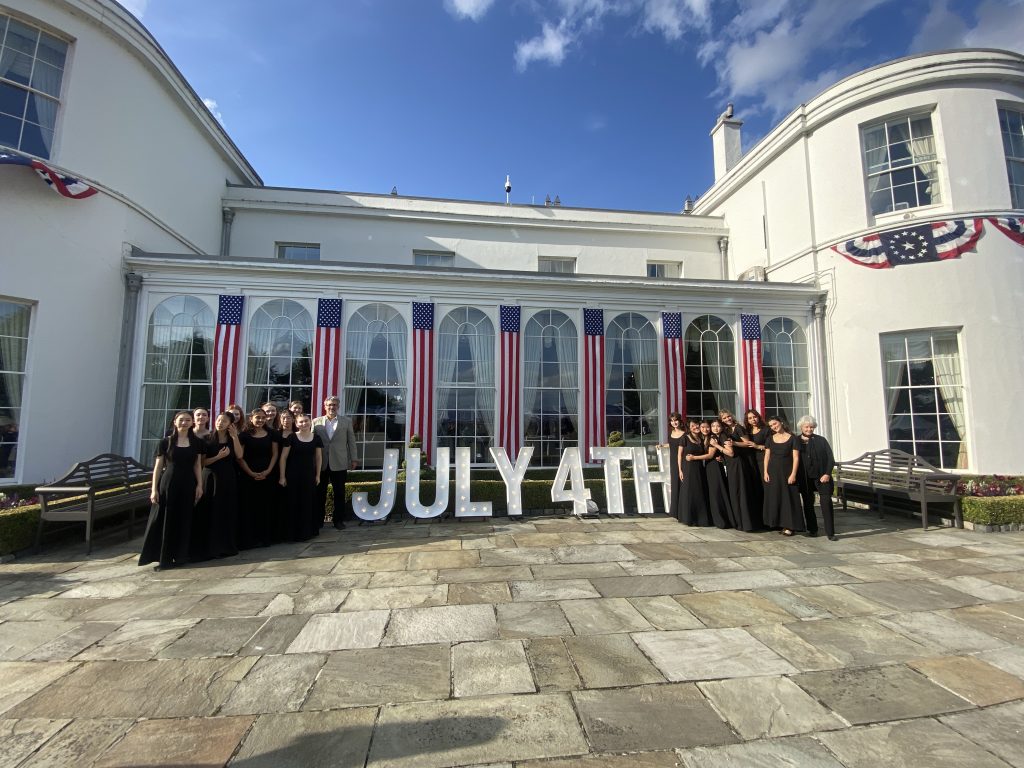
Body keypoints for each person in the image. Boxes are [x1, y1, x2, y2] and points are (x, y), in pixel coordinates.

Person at [139, 411, 203, 570]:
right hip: (169, 483)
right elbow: (158, 467)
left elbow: (197, 465)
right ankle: (165, 558)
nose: (184, 423)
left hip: (188, 483)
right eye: (181, 420)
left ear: (192, 423)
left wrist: (199, 485)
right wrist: (154, 489)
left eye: (188, 420)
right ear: (175, 422)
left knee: (185, 518)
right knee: (167, 519)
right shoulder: (165, 442)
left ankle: (181, 556)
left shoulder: (196, 442)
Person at [200, 411, 243, 558]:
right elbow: (202, 462)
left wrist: (235, 436)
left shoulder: (232, 439)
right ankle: (210, 547)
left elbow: (239, 455)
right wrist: (218, 457)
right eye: (219, 420)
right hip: (211, 476)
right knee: (211, 510)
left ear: (230, 424)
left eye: (224, 421)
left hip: (227, 477)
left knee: (227, 510)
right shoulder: (207, 439)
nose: (220, 423)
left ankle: (226, 545)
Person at [312, 395, 358, 529]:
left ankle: (338, 520)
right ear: (325, 407)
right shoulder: (316, 422)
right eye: (329, 405)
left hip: (340, 462)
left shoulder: (346, 421)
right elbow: (311, 441)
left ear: (338, 407)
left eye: (334, 405)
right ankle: (318, 520)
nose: (332, 407)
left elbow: (351, 441)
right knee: (320, 493)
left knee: (339, 493)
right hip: (321, 463)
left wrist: (354, 458)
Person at [237, 408, 279, 547]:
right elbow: (240, 457)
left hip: (268, 476)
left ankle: (266, 538)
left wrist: (268, 471)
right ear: (251, 418)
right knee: (250, 507)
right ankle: (250, 539)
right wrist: (250, 473)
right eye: (257, 417)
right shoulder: (244, 435)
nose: (260, 420)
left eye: (263, 417)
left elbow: (275, 454)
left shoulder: (272, 433)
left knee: (266, 507)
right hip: (248, 477)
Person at [279, 413, 323, 541]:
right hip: (292, 475)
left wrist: (318, 475)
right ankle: (292, 534)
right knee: (293, 503)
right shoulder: (291, 437)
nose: (304, 424)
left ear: (310, 422)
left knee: (307, 503)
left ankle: (306, 532)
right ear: (296, 424)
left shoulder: (316, 438)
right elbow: (283, 458)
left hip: (309, 475)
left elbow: (319, 457)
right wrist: (282, 476)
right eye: (301, 422)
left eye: (306, 421)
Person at [796, 415, 837, 540]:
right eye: (806, 427)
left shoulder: (821, 440)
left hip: (822, 476)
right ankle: (812, 530)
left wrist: (827, 474)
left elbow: (830, 458)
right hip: (805, 478)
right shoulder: (796, 440)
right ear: (801, 427)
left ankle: (830, 533)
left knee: (826, 503)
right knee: (808, 504)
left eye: (811, 427)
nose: (809, 429)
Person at [762, 415, 805, 536]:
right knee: (776, 497)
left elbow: (796, 458)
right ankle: (780, 523)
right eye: (771, 426)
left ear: (781, 422)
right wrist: (765, 472)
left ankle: (790, 526)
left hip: (787, 472)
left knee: (789, 499)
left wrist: (793, 474)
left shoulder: (793, 439)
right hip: (773, 472)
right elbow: (767, 456)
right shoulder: (770, 439)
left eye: (775, 424)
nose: (773, 427)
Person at [718, 411, 760, 531]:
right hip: (734, 462)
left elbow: (748, 443)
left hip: (744, 462)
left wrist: (734, 443)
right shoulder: (727, 431)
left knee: (744, 491)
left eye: (728, 416)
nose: (727, 419)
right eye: (724, 418)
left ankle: (748, 522)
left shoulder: (738, 428)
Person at [699, 419, 735, 529]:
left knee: (717, 493)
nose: (706, 429)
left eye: (707, 427)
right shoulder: (704, 438)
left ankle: (722, 521)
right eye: (703, 427)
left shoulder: (713, 438)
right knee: (713, 493)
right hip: (709, 467)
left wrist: (693, 458)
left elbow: (711, 455)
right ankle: (716, 519)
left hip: (714, 467)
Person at [679, 418, 711, 526]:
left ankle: (700, 518)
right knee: (689, 492)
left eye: (697, 425)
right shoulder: (685, 438)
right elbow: (679, 455)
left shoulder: (702, 439)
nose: (695, 427)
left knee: (699, 491)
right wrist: (680, 470)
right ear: (689, 427)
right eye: (692, 425)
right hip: (688, 468)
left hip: (699, 468)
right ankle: (689, 518)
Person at [661, 413, 686, 519]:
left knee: (683, 485)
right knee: (675, 485)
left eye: (675, 420)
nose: (674, 422)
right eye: (671, 421)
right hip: (673, 461)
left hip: (683, 461)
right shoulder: (671, 433)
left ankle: (683, 511)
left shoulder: (685, 434)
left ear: (680, 421)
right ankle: (675, 511)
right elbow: (673, 444)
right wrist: (662, 445)